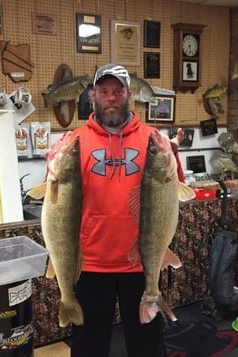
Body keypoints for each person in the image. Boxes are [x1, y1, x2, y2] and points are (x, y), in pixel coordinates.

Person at [49, 64, 184, 357]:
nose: (111, 98)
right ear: (93, 96)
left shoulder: (152, 139)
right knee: (89, 345)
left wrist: (173, 155)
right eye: (104, 91)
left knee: (147, 345)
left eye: (118, 91)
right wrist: (53, 161)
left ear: (129, 95)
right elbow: (58, 197)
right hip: (90, 262)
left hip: (141, 260)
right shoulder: (74, 141)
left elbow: (172, 192)